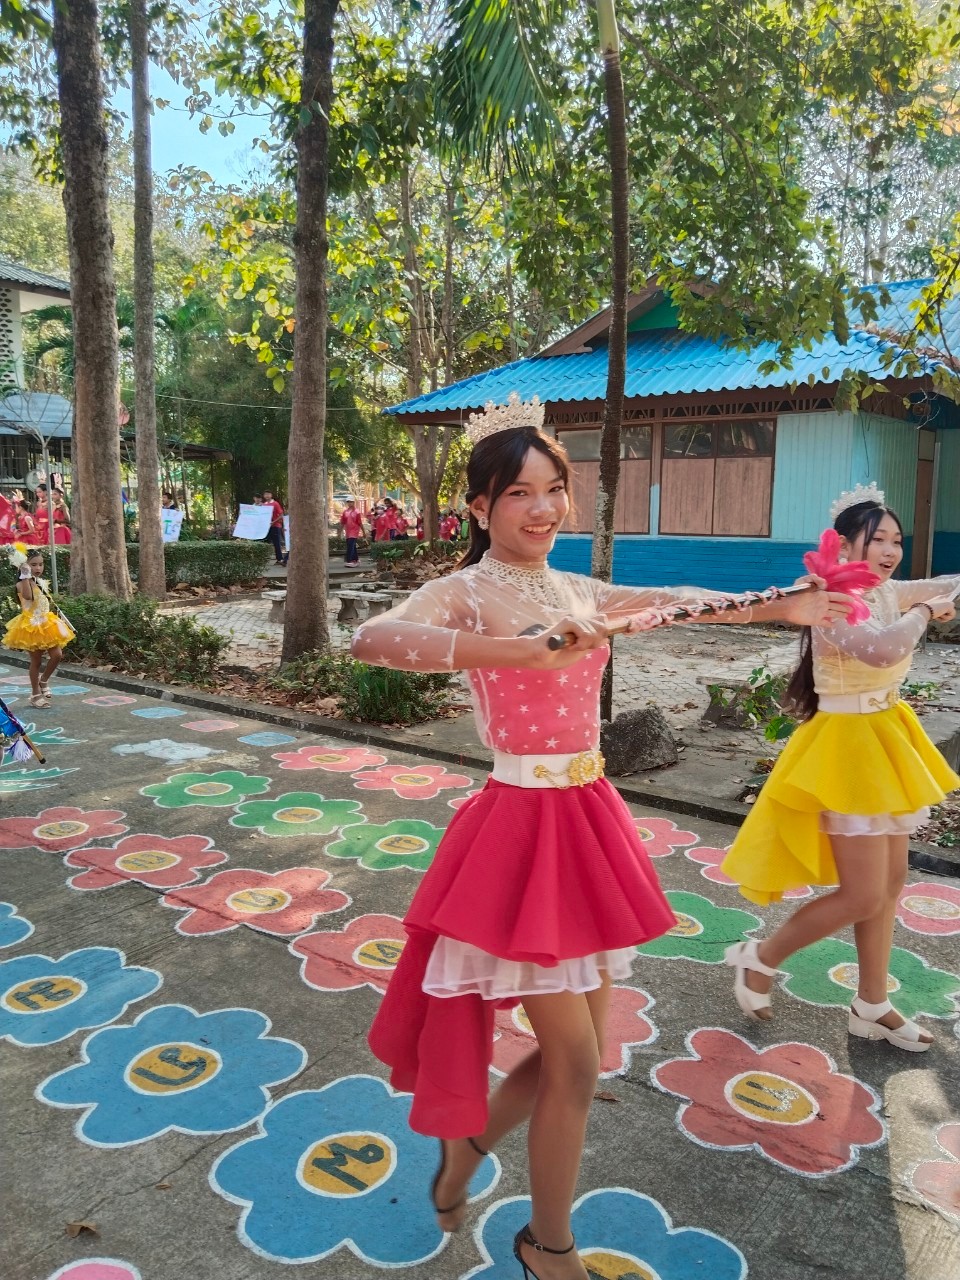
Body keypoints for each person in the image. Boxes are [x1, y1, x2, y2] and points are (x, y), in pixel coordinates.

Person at [350, 396, 856, 1279]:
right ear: (480, 507)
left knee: (570, 1060)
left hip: (586, 820)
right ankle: (549, 1246)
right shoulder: (467, 591)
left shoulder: (578, 587)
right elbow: (372, 639)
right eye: (518, 493)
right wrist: (525, 650)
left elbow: (680, 603)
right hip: (519, 831)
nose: (542, 508)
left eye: (554, 489)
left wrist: (785, 605)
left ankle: (467, 1152)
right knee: (579, 1063)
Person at [721, 487, 960, 1052]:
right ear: (845, 545)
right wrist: (927, 610)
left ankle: (871, 1005)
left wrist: (932, 597)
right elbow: (882, 650)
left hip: (885, 735)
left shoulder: (887, 590)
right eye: (877, 539)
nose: (890, 550)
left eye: (896, 540)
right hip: (847, 747)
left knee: (891, 885)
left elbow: (947, 584)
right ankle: (760, 958)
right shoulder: (830, 599)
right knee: (862, 894)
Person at [3, 544, 75, 708]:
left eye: (40, 564)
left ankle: (44, 680)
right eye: (33, 564)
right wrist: (25, 576)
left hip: (47, 624)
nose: (38, 568)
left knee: (57, 655)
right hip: (32, 626)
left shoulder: (40, 581)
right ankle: (35, 694)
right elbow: (28, 596)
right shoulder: (22, 583)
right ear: (24, 566)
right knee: (36, 661)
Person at [340, 498, 365, 566]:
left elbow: (360, 522)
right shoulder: (345, 512)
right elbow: (342, 522)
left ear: (354, 502)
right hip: (348, 531)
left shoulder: (357, 512)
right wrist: (340, 532)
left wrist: (363, 532)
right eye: (348, 502)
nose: (350, 503)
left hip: (354, 531)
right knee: (352, 545)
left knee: (351, 545)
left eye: (351, 502)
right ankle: (356, 559)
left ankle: (351, 560)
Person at [262, 490, 285, 564]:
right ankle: (263, 559)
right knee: (264, 542)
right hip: (266, 527)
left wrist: (273, 522)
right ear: (264, 496)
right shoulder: (263, 505)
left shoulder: (275, 504)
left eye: (268, 494)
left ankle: (279, 559)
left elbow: (281, 515)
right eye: (265, 494)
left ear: (271, 495)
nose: (267, 496)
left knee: (276, 543)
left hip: (275, 526)